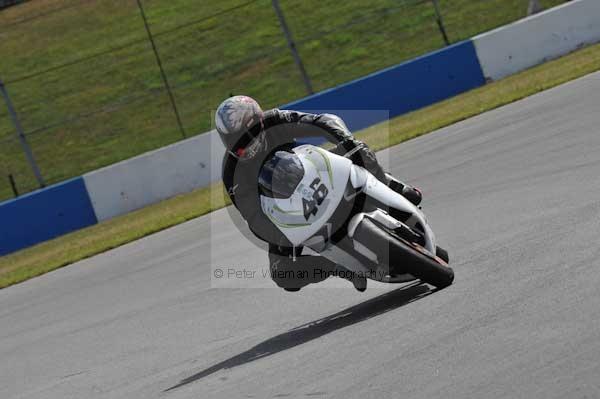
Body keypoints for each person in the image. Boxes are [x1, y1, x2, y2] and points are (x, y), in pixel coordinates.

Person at [216, 95, 422, 292]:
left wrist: (347, 142)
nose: (246, 145)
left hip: (317, 170)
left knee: (360, 150)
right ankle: (338, 266)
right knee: (283, 273)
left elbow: (322, 121)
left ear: (259, 120)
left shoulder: (275, 120)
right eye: (237, 142)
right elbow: (253, 217)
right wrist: (284, 236)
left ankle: (392, 186)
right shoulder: (232, 173)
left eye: (248, 134)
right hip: (284, 209)